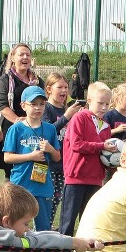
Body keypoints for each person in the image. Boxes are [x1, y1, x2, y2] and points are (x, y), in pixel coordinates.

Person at [54, 82, 117, 252]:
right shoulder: (79, 118)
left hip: (95, 178)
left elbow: (105, 155)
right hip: (76, 176)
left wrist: (113, 162)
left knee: (90, 219)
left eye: (107, 104)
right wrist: (102, 146)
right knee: (68, 219)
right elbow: (76, 145)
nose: (104, 108)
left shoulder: (106, 125)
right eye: (100, 103)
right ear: (89, 101)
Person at [4, 86, 63, 252]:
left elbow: (57, 157)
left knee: (43, 226)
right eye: (33, 104)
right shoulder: (16, 128)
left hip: (42, 185)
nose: (38, 108)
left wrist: (51, 150)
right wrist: (30, 156)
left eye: (41, 104)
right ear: (23, 105)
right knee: (12, 224)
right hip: (20, 185)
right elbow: (7, 158)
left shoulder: (50, 129)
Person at [0, 43, 42, 178]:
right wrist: (18, 121)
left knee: (34, 172)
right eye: (21, 54)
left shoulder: (38, 81)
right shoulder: (5, 80)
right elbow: (2, 105)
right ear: (13, 58)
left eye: (28, 54)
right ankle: (9, 198)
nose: (25, 57)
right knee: (12, 175)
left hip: (35, 130)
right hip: (13, 129)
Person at [42, 73, 83, 222]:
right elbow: (48, 131)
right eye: (59, 87)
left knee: (57, 199)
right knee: (46, 198)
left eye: (66, 87)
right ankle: (41, 229)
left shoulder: (68, 109)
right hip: (49, 164)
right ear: (49, 89)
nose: (64, 90)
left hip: (65, 164)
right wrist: (66, 117)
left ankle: (49, 226)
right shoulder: (46, 108)